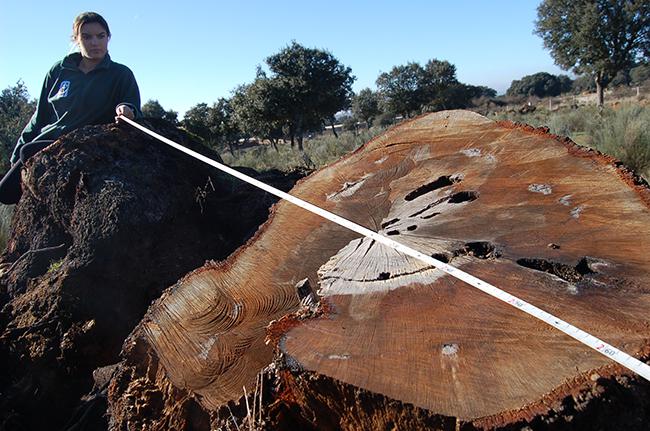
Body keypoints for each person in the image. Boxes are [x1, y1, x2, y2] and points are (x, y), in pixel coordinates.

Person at [0, 11, 141, 204]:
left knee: (30, 153)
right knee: (6, 191)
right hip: (45, 141)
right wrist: (17, 152)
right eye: (87, 36)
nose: (94, 42)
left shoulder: (121, 74)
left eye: (101, 36)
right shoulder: (58, 71)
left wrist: (127, 109)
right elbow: (40, 115)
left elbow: (132, 104)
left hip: (85, 144)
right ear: (76, 39)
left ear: (108, 38)